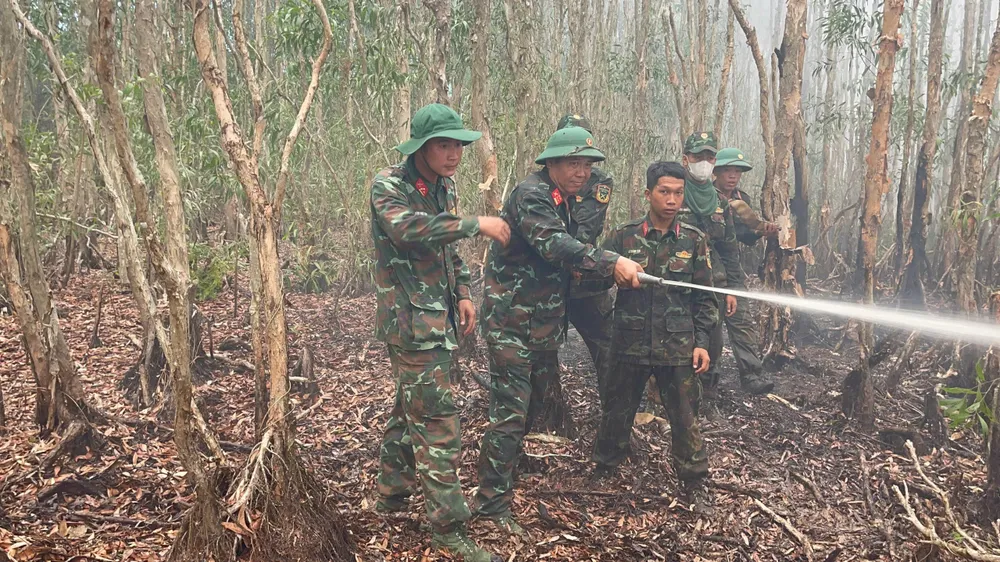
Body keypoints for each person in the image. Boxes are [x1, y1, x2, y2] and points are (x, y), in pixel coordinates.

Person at [475, 127, 644, 535]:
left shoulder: (562, 199)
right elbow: (555, 245)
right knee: (510, 412)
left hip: (539, 325)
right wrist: (612, 263)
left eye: (587, 165)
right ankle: (491, 507)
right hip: (512, 323)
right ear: (551, 162)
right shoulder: (531, 195)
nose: (582, 172)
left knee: (530, 405)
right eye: (573, 163)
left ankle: (508, 469)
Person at [371, 103, 509, 562]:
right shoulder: (389, 185)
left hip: (439, 318)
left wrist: (464, 293)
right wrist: (474, 224)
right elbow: (409, 230)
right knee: (437, 423)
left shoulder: (443, 187)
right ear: (421, 148)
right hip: (411, 323)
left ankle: (392, 494)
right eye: (444, 145)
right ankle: (449, 531)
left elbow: (447, 249)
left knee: (412, 406)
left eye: (458, 146)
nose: (454, 154)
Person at [592, 161, 717, 514]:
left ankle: (694, 481)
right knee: (617, 409)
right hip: (628, 342)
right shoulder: (623, 236)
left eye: (678, 193)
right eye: (664, 192)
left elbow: (705, 297)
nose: (672, 200)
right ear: (648, 194)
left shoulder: (694, 240)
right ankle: (604, 469)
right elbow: (594, 276)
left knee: (685, 416)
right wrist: (611, 274)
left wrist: (702, 342)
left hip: (677, 346)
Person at [677, 132, 772, 397]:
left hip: (716, 279)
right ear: (686, 159)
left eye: (709, 157)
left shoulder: (721, 201)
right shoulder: (675, 192)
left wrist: (732, 288)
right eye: (698, 157)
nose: (703, 162)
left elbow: (730, 248)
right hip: (680, 278)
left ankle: (713, 392)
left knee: (718, 337)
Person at [556, 114, 615, 392]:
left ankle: (614, 408)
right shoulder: (542, 183)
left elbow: (587, 226)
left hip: (584, 275)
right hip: (549, 279)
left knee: (607, 345)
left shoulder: (598, 182)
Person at [711, 148, 777, 392]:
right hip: (708, 267)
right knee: (710, 326)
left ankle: (752, 376)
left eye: (737, 171)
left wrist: (761, 231)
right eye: (728, 170)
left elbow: (744, 237)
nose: (733, 176)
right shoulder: (705, 197)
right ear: (716, 172)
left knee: (742, 322)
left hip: (732, 268)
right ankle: (708, 381)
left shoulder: (742, 199)